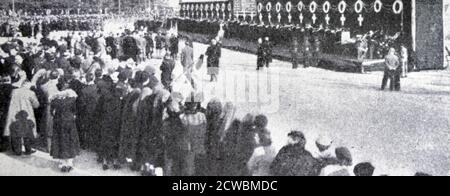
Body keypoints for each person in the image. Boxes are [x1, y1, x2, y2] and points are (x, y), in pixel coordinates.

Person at [50, 77, 80, 173]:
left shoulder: (54, 99)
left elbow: (52, 112)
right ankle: (70, 163)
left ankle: (63, 163)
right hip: (69, 121)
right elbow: (75, 111)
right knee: (70, 140)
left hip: (59, 122)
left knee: (60, 141)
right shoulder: (72, 98)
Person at [4, 82, 40, 156]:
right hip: (26, 114)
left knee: (15, 132)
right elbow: (36, 105)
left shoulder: (14, 91)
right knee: (27, 132)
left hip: (15, 114)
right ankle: (28, 149)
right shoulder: (31, 93)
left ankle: (17, 150)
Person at [96, 76, 122, 170]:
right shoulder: (118, 96)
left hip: (105, 122)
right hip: (116, 122)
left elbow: (98, 111)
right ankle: (115, 161)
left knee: (104, 140)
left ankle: (105, 161)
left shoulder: (103, 97)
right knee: (115, 141)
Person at [180, 101, 207, 176]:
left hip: (195, 144)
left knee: (195, 167)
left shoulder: (201, 116)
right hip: (192, 145)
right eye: (191, 103)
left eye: (194, 103)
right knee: (191, 168)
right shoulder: (183, 117)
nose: (193, 105)